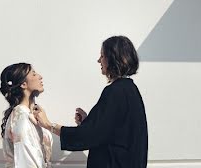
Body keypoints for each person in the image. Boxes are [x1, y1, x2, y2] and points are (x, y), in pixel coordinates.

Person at [34, 36, 148, 168]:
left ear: (114, 59)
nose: (99, 60)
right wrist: (89, 121)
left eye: (103, 56)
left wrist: (48, 125)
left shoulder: (115, 92)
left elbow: (89, 135)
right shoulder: (130, 90)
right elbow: (110, 131)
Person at [0, 62, 53, 168]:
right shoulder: (21, 119)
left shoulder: (31, 115)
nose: (40, 76)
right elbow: (26, 163)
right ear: (23, 84)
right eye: (34, 74)